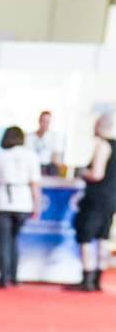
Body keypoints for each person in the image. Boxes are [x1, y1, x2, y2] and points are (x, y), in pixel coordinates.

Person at [0, 126, 42, 290]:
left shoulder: (0, 156)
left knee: (4, 240)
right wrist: (36, 205)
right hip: (23, 201)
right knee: (14, 239)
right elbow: (35, 183)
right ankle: (14, 275)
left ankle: (3, 277)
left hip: (3, 201)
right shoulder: (31, 156)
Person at [70, 111, 115, 292]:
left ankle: (87, 277)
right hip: (111, 198)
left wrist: (81, 172)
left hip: (96, 198)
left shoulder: (103, 145)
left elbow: (97, 174)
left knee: (86, 234)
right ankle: (97, 280)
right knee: (102, 237)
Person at [26, 110, 65, 176]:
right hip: (30, 167)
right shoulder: (29, 137)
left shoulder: (55, 137)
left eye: (47, 122)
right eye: (43, 121)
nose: (44, 124)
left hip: (47, 168)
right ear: (39, 120)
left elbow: (56, 157)